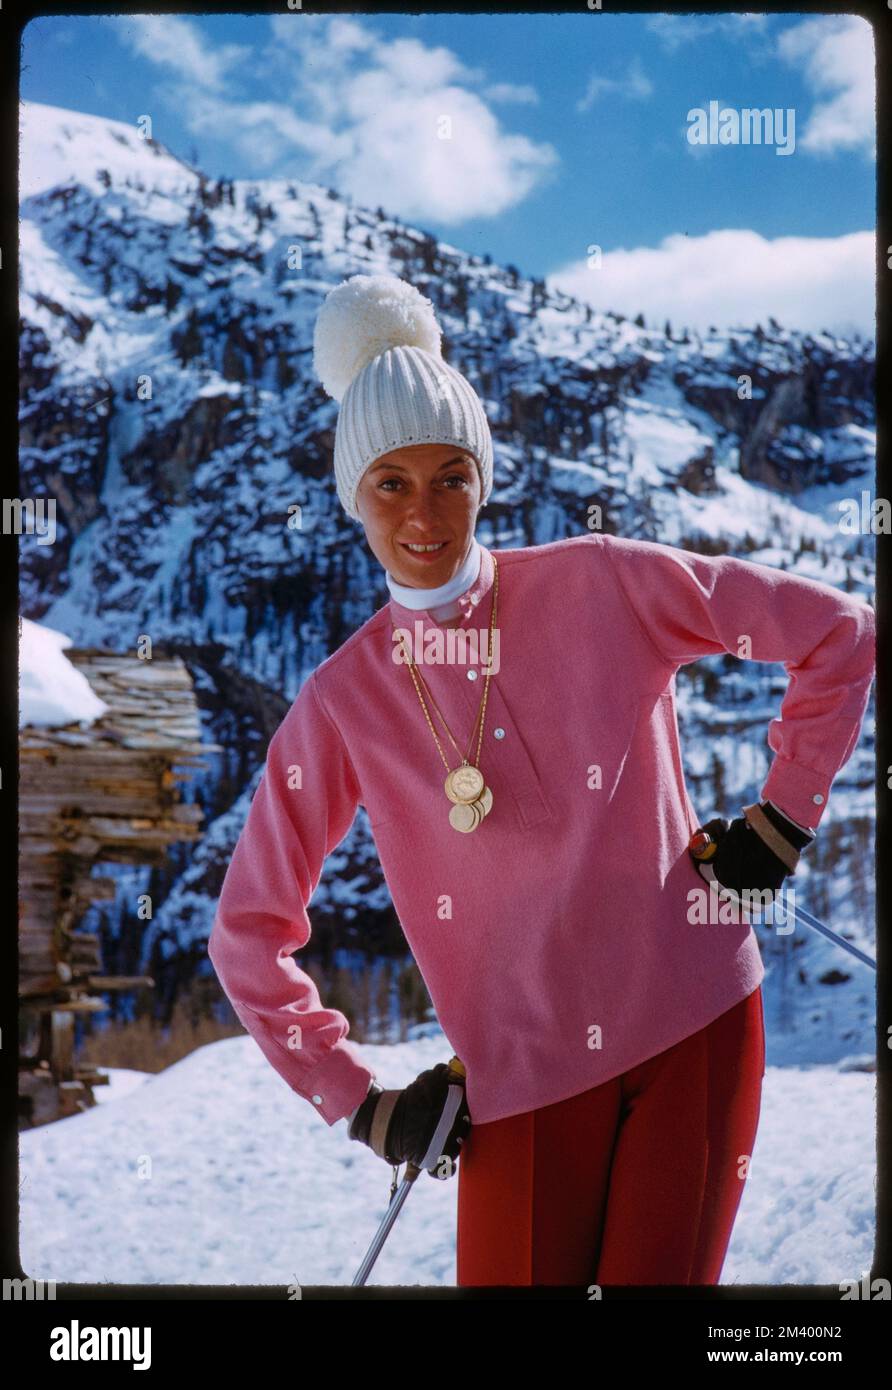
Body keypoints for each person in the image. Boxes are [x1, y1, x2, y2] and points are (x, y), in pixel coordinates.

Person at [207, 273, 876, 1287]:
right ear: (355, 496)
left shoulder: (604, 582)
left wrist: (781, 820)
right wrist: (356, 1099)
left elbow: (837, 633)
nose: (424, 512)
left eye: (449, 474)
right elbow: (245, 933)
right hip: (517, 1085)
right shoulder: (341, 703)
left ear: (483, 477)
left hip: (692, 1025)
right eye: (391, 481)